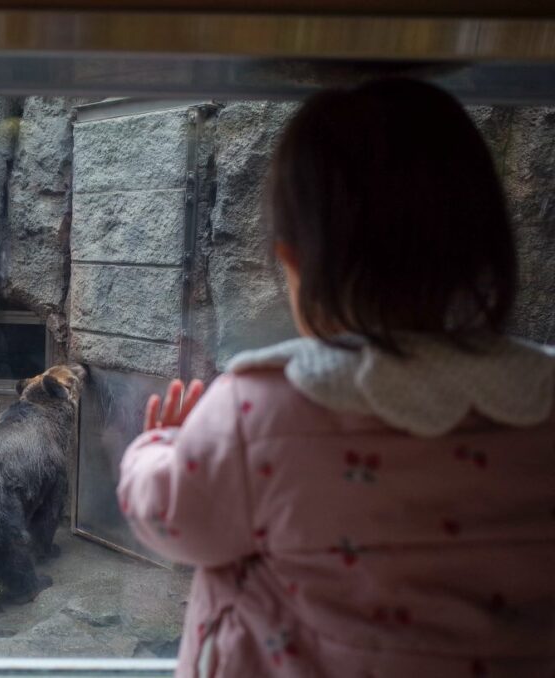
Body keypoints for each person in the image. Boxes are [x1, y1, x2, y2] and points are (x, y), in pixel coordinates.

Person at [117, 78, 555, 677]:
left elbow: (174, 521)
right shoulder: (543, 399)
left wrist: (158, 447)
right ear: (489, 242)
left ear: (292, 260)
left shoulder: (259, 407)